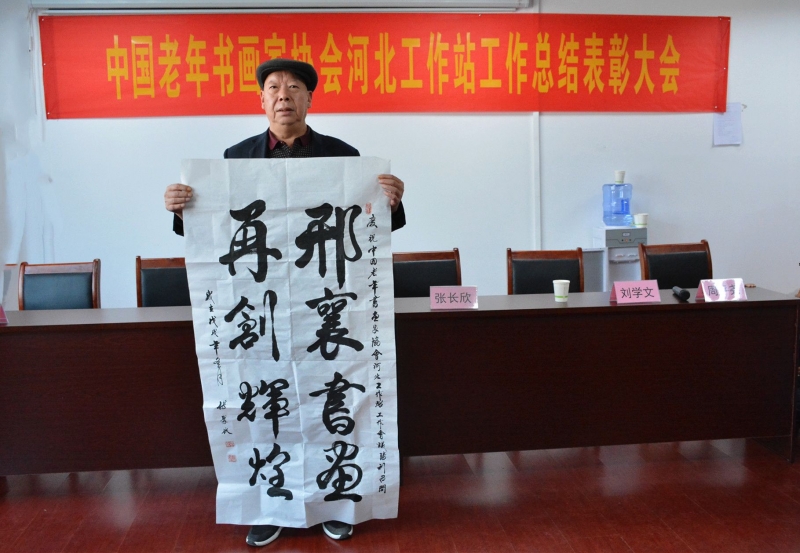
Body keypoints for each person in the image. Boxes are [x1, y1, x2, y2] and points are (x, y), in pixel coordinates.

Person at [163, 58, 405, 548]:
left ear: (309, 99)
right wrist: (180, 209)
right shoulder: (235, 159)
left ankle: (337, 504)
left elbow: (373, 227)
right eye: (273, 87)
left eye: (294, 87)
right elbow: (214, 234)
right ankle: (268, 507)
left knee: (332, 407)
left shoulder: (344, 158)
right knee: (266, 413)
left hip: (326, 313)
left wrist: (394, 202)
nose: (283, 95)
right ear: (261, 99)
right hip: (262, 316)